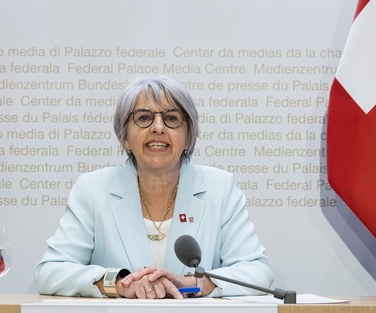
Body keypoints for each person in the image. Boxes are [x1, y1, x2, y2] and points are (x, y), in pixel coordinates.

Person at [35, 75, 274, 299]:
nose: (158, 127)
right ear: (125, 137)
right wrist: (120, 284)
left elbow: (257, 271)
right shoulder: (92, 189)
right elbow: (51, 272)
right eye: (143, 117)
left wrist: (193, 283)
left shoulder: (220, 188)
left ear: (189, 136)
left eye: (171, 118)